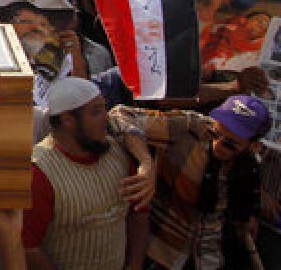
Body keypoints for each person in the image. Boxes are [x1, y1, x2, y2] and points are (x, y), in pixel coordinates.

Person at [109, 95, 271, 270]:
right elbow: (119, 115)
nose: (217, 145)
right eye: (215, 133)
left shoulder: (250, 167)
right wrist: (146, 162)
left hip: (210, 258)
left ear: (253, 146)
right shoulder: (189, 128)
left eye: (229, 145)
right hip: (161, 252)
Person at [22, 78, 153, 270]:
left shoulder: (119, 154)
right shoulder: (40, 172)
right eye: (96, 112)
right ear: (68, 120)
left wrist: (134, 265)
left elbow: (138, 216)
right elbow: (28, 247)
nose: (106, 119)